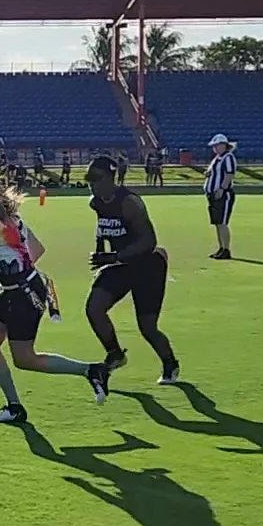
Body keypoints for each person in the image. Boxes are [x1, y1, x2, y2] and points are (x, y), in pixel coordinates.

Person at [0, 166, 109, 425]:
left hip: (20, 295)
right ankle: (14, 407)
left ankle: (91, 370)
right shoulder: (8, 213)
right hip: (25, 288)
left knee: (25, 358)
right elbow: (37, 249)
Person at [84, 155, 181, 388]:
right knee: (94, 309)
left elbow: (149, 241)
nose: (92, 184)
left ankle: (170, 362)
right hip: (120, 265)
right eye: (89, 179)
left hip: (148, 267)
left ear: (111, 178)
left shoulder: (129, 203)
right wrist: (101, 253)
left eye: (96, 178)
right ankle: (115, 354)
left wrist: (114, 257)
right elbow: (103, 228)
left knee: (147, 327)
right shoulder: (95, 202)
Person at [205, 134, 237, 260]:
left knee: (222, 222)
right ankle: (221, 248)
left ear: (224, 145)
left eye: (217, 145)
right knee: (217, 222)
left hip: (223, 194)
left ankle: (226, 249)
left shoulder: (228, 157)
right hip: (213, 194)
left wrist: (222, 189)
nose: (215, 148)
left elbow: (229, 174)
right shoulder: (217, 158)